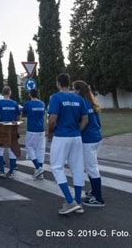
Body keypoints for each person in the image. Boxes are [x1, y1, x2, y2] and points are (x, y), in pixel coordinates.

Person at [47, 73, 89, 215]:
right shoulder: (78, 98)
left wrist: (49, 132)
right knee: (77, 168)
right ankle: (78, 202)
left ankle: (70, 201)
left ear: (58, 83)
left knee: (57, 167)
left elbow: (52, 119)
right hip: (76, 136)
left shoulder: (56, 97)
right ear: (69, 83)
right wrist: (78, 130)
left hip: (61, 136)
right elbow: (85, 118)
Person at [73, 81, 105, 208]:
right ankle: (94, 191)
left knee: (92, 168)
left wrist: (77, 130)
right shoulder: (92, 101)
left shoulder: (82, 103)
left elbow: (83, 122)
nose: (73, 92)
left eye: (74, 89)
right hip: (97, 138)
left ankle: (99, 198)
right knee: (91, 166)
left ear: (78, 91)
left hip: (88, 139)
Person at [0, 86, 21, 179]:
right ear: (10, 93)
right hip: (12, 129)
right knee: (12, 150)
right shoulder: (14, 103)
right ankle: (11, 171)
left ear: (2, 93)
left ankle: (1, 169)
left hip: (2, 129)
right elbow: (18, 117)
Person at [22, 89, 46, 179]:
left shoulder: (28, 104)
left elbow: (24, 113)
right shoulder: (42, 104)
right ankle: (40, 173)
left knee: (29, 148)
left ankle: (38, 168)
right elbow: (43, 113)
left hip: (32, 129)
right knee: (40, 151)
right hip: (41, 130)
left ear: (30, 95)